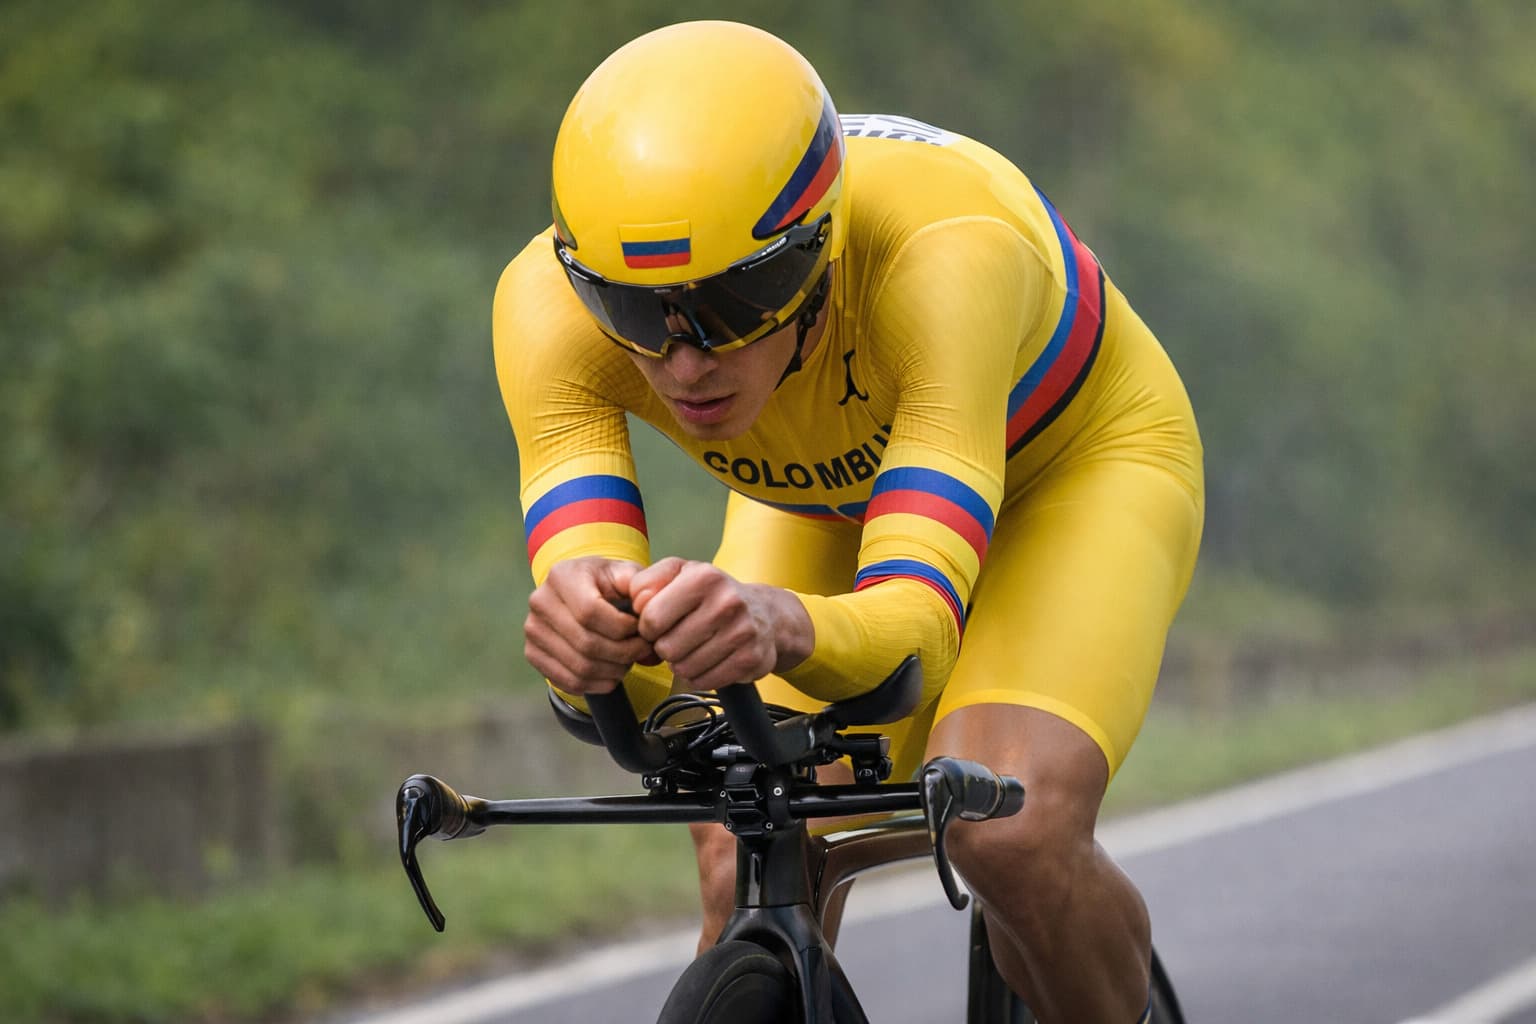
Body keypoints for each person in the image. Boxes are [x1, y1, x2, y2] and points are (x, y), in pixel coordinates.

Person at [494, 20, 1203, 1023]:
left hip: (1075, 468)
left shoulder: (946, 258)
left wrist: (783, 623)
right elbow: (602, 597)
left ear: (818, 249)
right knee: (745, 826)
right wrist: (594, 627)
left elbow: (912, 622)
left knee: (1010, 824)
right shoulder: (545, 310)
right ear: (580, 277)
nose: (687, 362)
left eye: (739, 298)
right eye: (638, 313)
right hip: (823, 495)